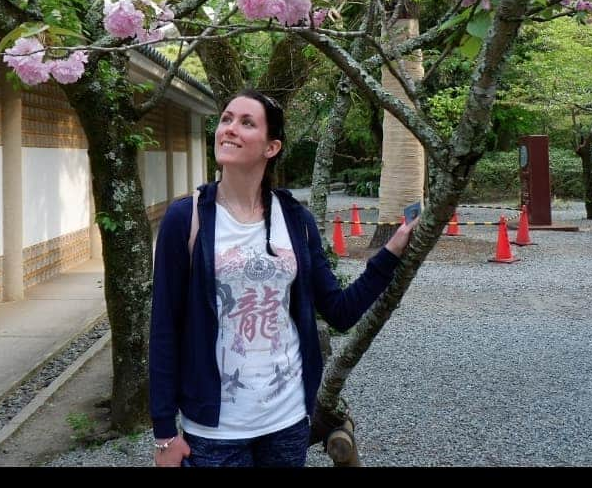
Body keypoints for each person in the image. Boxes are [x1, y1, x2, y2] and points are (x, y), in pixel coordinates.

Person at [149, 89, 416, 467]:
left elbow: (339, 311)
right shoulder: (186, 218)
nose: (229, 129)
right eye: (226, 119)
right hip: (216, 429)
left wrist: (389, 255)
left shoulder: (295, 220)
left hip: (287, 419)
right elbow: (164, 328)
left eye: (246, 123)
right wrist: (164, 433)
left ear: (271, 147)